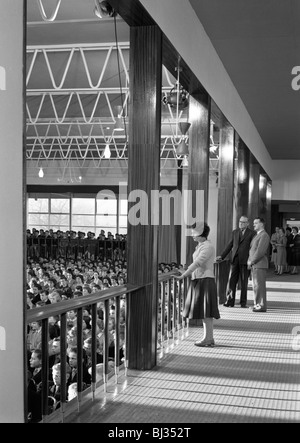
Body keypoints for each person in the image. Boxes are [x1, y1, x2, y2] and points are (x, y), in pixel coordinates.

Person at [175, 222, 220, 347]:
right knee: (205, 311)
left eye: (194, 233)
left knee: (207, 311)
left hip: (205, 279)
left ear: (201, 234)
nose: (192, 236)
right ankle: (209, 338)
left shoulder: (207, 247)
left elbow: (198, 263)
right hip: (201, 279)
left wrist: (184, 274)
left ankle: (208, 338)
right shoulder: (202, 245)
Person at [216, 215, 255, 308]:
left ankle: (243, 302)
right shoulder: (235, 232)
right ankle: (230, 301)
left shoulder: (252, 233)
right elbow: (229, 245)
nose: (241, 223)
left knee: (244, 282)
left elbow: (253, 248)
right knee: (232, 281)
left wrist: (251, 260)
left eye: (243, 222)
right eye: (240, 222)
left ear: (247, 223)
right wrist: (222, 256)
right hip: (235, 260)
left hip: (245, 261)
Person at [247, 217, 270, 312]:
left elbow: (260, 251)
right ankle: (257, 304)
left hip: (259, 264)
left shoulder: (264, 235)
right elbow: (252, 250)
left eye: (256, 223)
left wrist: (251, 261)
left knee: (259, 286)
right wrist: (250, 260)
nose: (254, 225)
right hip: (256, 264)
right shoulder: (257, 235)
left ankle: (261, 305)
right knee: (256, 286)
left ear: (262, 224)